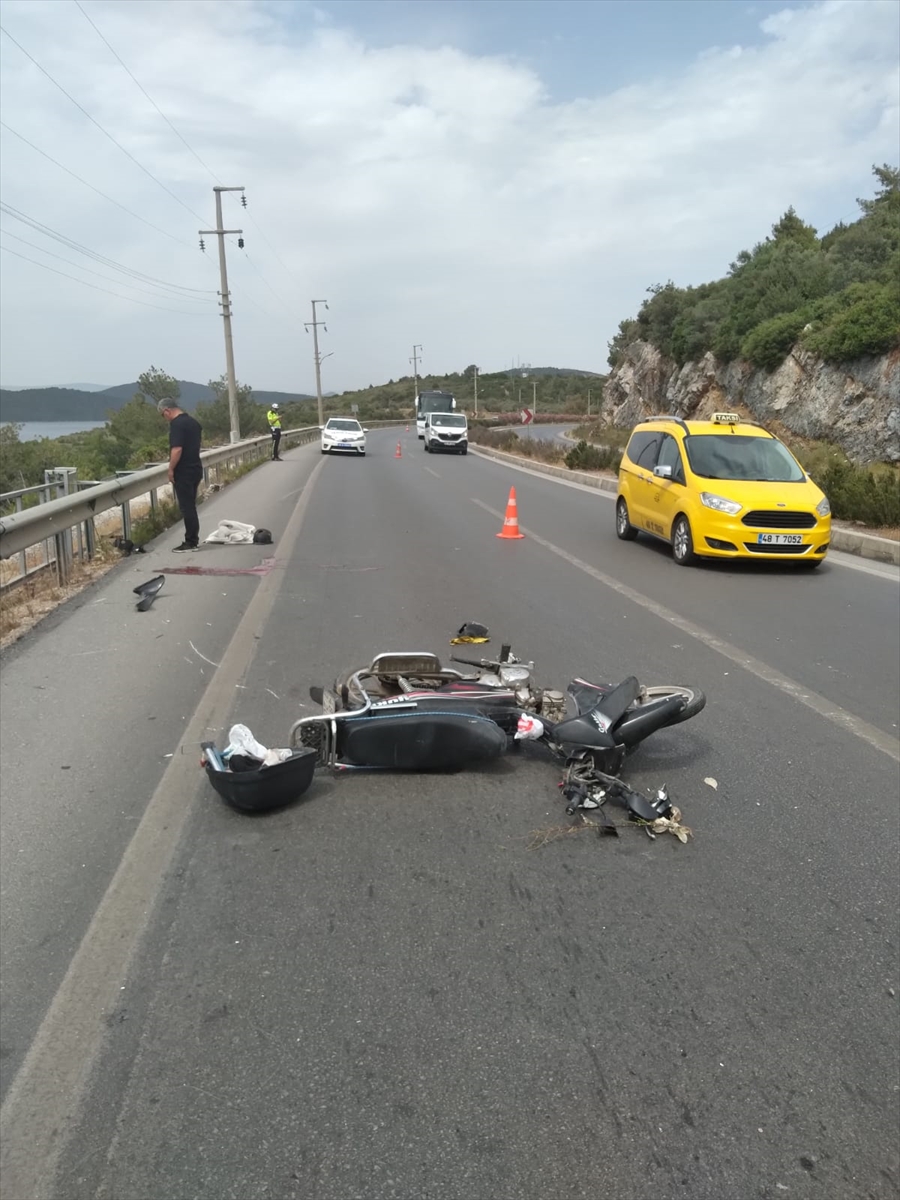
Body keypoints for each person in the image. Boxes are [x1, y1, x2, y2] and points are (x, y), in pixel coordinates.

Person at [158, 399, 203, 551]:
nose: (165, 418)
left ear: (167, 411)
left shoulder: (177, 425)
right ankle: (193, 539)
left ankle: (191, 541)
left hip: (183, 471)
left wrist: (171, 469)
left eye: (163, 415)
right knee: (191, 506)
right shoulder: (193, 422)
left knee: (187, 507)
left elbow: (177, 449)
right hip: (196, 468)